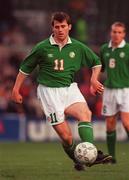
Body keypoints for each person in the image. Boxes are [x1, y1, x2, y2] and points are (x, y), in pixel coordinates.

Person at [12, 11, 112, 171]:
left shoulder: (78, 47)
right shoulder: (42, 47)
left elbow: (96, 62)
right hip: (49, 93)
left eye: (63, 26)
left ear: (69, 27)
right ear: (52, 28)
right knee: (67, 137)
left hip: (69, 89)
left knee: (85, 114)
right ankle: (77, 159)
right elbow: (24, 69)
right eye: (57, 26)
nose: (60, 30)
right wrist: (16, 90)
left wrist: (94, 80)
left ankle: (91, 154)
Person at [100, 22, 129, 164]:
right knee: (110, 124)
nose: (116, 34)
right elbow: (101, 68)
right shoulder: (104, 49)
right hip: (109, 90)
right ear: (110, 33)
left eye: (119, 32)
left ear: (124, 34)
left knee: (126, 123)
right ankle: (112, 157)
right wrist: (95, 83)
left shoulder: (128, 49)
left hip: (125, 90)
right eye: (114, 32)